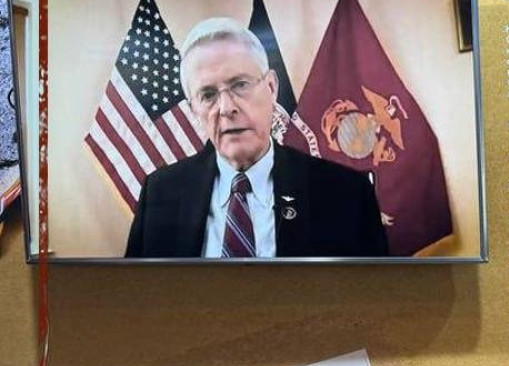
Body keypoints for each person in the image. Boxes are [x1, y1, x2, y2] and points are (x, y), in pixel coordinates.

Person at [124, 17, 388, 258]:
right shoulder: (160, 195)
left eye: (240, 85)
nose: (226, 108)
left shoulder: (345, 194)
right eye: (208, 95)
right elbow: (137, 293)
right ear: (194, 110)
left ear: (271, 88)